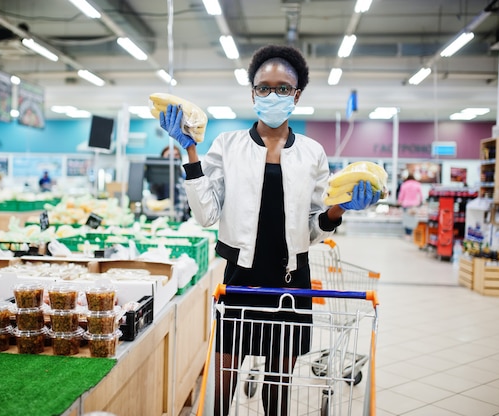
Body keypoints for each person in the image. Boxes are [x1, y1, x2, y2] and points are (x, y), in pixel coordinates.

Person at [158, 44, 380, 416]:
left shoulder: (312, 153)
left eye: (282, 87)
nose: (272, 94)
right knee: (222, 392)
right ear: (252, 92)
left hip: (292, 283)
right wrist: (190, 153)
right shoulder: (227, 145)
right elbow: (207, 215)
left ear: (297, 94)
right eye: (264, 87)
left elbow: (312, 229)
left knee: (278, 393)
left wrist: (339, 208)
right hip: (240, 278)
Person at [149, 145, 191, 222]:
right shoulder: (158, 177)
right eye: (169, 155)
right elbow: (153, 192)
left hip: (184, 218)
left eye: (176, 155)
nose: (174, 158)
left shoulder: (184, 176)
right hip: (165, 219)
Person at [397, 173, 423, 238]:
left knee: (406, 219)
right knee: (412, 219)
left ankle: (407, 234)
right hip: (414, 204)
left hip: (406, 204)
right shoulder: (417, 184)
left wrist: (399, 201)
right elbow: (421, 195)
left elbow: (401, 194)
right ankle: (411, 234)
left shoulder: (404, 184)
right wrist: (420, 201)